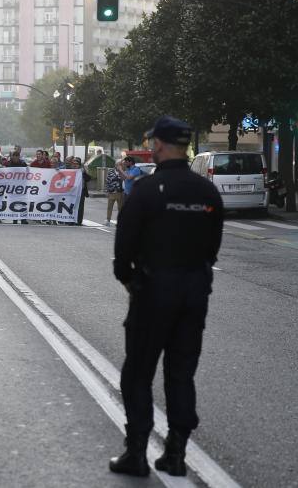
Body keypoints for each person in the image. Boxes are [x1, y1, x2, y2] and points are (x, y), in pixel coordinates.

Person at [109, 116, 224, 478]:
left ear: (158, 145)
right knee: (181, 373)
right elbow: (213, 247)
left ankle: (137, 452)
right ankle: (176, 453)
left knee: (138, 372)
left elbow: (123, 249)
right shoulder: (207, 193)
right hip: (193, 293)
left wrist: (130, 280)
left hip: (154, 291)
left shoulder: (146, 190)